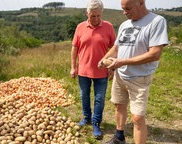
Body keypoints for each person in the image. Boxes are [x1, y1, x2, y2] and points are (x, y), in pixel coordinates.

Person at [98, 0, 169, 143]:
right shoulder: (125, 24)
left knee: (137, 117)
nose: (125, 12)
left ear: (141, 3)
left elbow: (155, 54)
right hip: (120, 75)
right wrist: (104, 59)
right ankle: (119, 137)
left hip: (139, 78)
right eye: (123, 9)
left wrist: (122, 62)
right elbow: (116, 48)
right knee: (119, 106)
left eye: (128, 8)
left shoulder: (156, 21)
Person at [70, 0, 116, 139]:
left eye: (98, 16)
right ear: (87, 13)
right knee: (84, 95)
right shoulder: (80, 27)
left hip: (101, 72)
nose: (96, 19)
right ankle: (86, 117)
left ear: (101, 13)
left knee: (99, 98)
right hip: (83, 70)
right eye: (93, 16)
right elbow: (75, 47)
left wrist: (112, 67)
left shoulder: (108, 27)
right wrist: (73, 67)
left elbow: (114, 49)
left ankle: (96, 123)